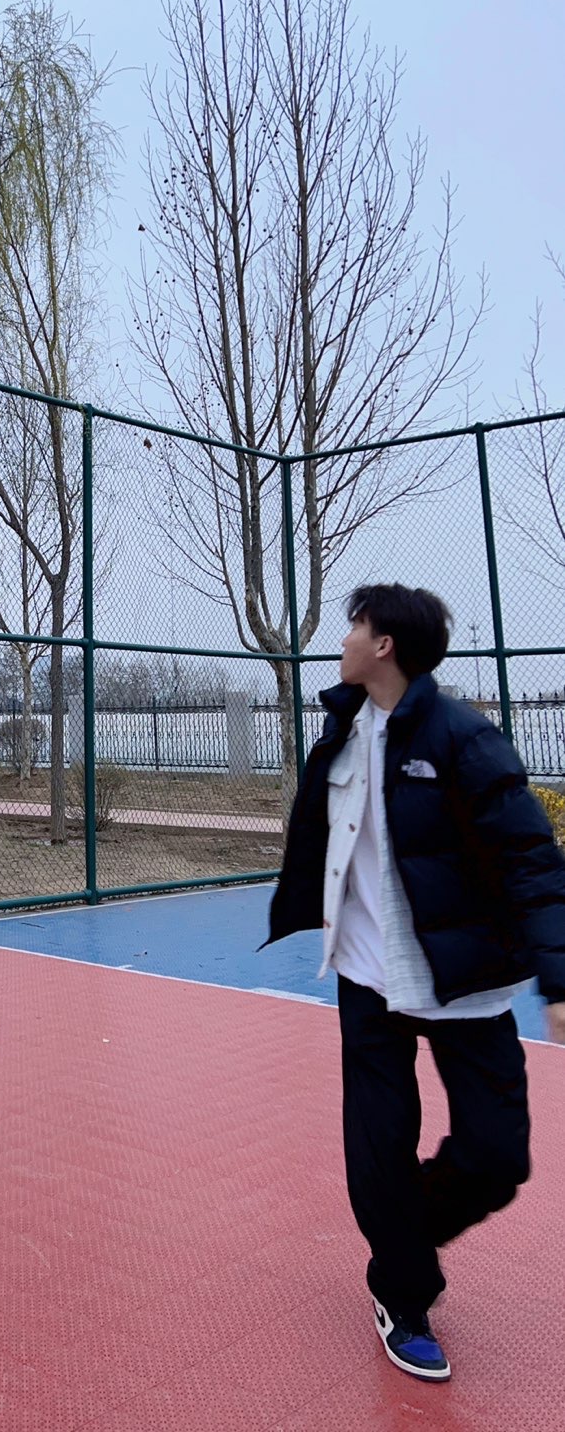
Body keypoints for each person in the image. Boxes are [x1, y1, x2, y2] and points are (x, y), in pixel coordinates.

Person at [266, 583, 565, 1383]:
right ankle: (403, 1295)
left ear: (385, 644)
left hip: (464, 980)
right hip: (366, 978)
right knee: (378, 1150)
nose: (344, 640)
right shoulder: (340, 731)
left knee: (497, 1157)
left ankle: (405, 1236)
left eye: (354, 627)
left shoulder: (466, 739)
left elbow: (532, 862)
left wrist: (558, 980)